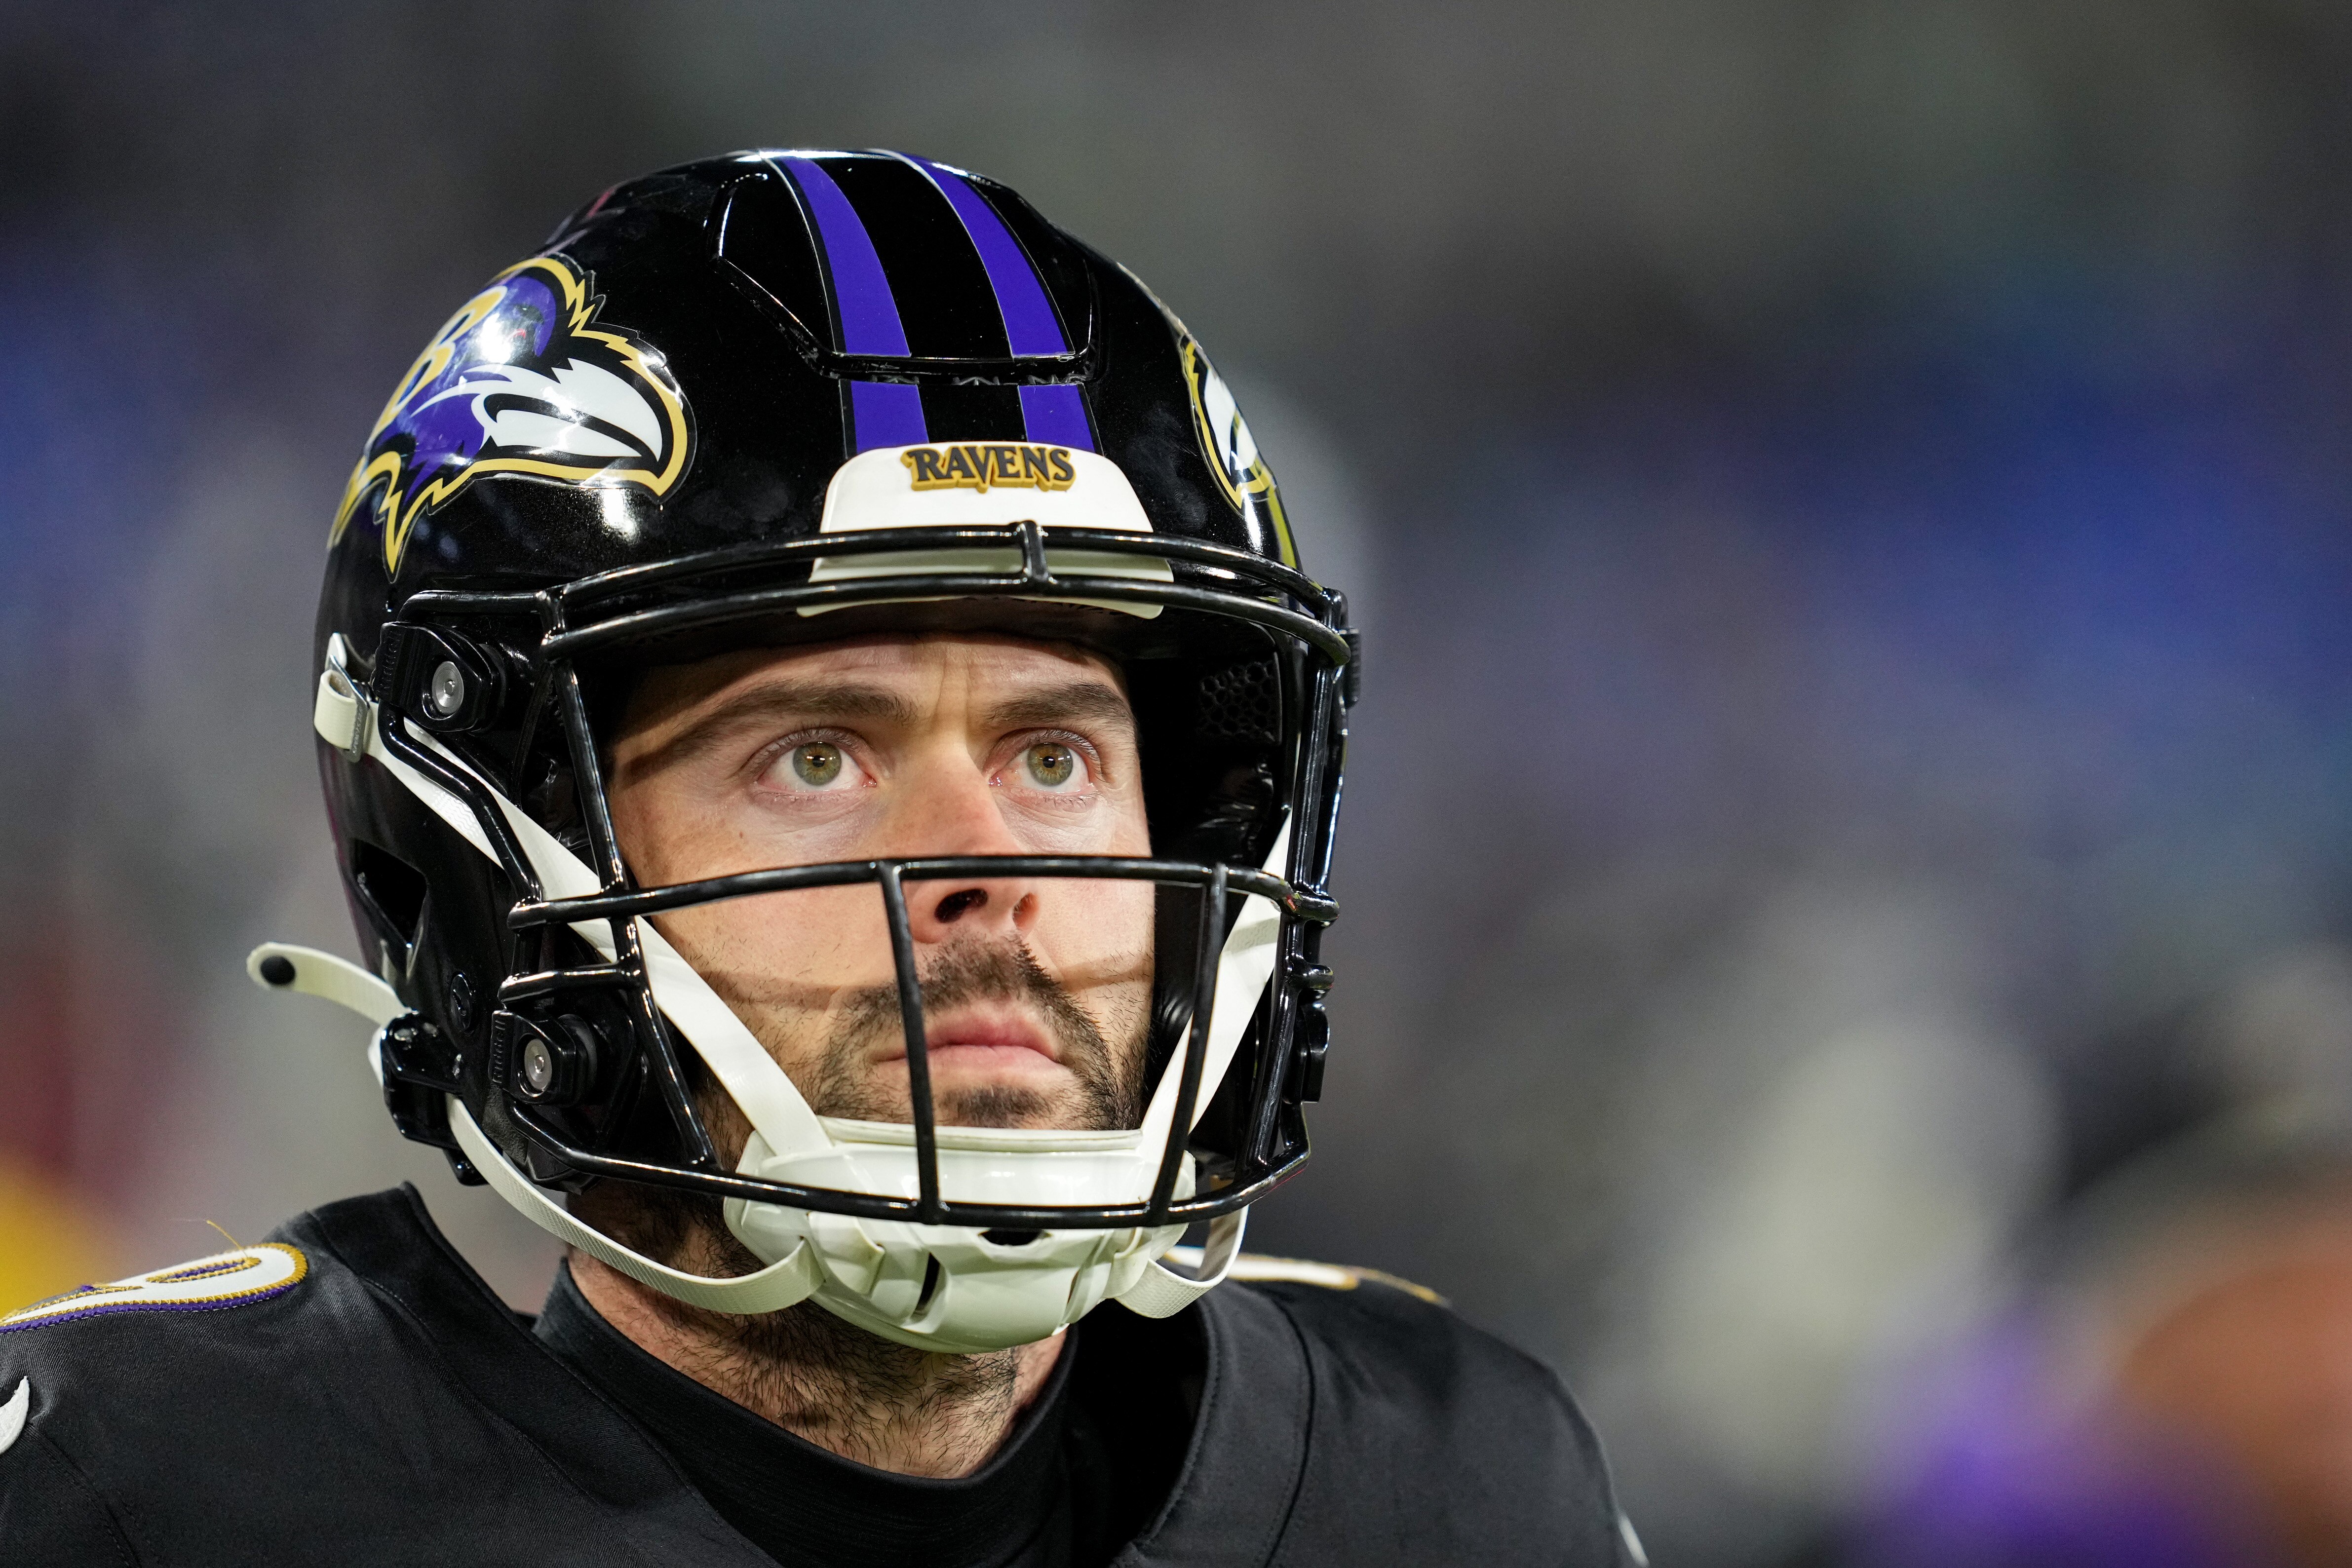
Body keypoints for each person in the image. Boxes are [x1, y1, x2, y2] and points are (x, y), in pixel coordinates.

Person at [0, 150, 1641, 1566]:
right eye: (817, 756)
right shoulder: (142, 1503)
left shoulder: (1457, 1491)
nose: (984, 859)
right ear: (503, 877)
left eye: (1055, 754)